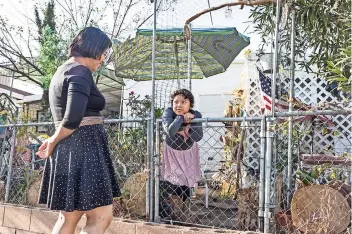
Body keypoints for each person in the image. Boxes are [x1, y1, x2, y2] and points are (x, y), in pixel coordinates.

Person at [36, 27, 121, 234]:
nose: (103, 59)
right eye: (103, 53)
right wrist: (53, 140)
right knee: (100, 216)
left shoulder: (64, 69)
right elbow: (73, 118)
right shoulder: (80, 71)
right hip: (84, 150)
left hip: (70, 151)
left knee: (69, 218)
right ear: (92, 48)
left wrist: (55, 141)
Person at [160, 89, 203, 219]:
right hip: (172, 153)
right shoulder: (168, 113)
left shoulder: (196, 114)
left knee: (186, 182)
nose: (179, 105)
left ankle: (185, 211)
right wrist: (181, 118)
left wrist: (191, 121)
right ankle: (172, 213)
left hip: (188, 152)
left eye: (183, 102)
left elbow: (198, 136)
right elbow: (171, 130)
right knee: (172, 182)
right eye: (176, 102)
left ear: (190, 104)